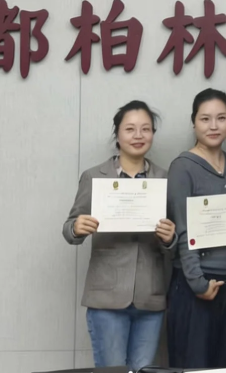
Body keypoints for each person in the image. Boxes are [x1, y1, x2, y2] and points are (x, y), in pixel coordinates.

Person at [63, 100, 176, 370]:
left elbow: (175, 240)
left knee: (143, 371)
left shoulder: (165, 179)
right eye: (130, 129)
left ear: (153, 134)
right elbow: (69, 228)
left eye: (145, 129)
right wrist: (77, 227)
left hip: (150, 298)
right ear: (117, 134)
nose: (138, 135)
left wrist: (170, 238)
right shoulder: (94, 176)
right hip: (106, 298)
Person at [166, 88, 226, 369]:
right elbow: (183, 230)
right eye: (205, 119)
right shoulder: (182, 167)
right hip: (196, 283)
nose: (214, 126)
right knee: (194, 365)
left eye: (221, 118)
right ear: (193, 122)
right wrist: (198, 283)